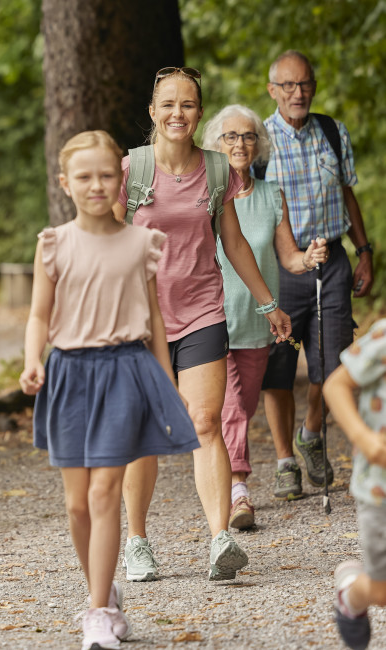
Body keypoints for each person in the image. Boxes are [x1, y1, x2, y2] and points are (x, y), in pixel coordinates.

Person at [20, 130, 199, 650]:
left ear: (119, 178)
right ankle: (103, 589)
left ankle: (97, 613)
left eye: (105, 175)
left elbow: (158, 322)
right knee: (77, 504)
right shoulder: (53, 245)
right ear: (65, 183)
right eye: (84, 177)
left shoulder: (143, 242)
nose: (96, 185)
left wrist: (167, 382)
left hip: (125, 371)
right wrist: (34, 360)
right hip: (70, 375)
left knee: (104, 493)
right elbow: (38, 315)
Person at [114, 67, 292, 583]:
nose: (178, 114)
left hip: (201, 311)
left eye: (188, 104)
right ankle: (138, 542)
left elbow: (232, 242)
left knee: (205, 422)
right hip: (142, 319)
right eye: (168, 104)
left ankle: (220, 540)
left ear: (199, 111)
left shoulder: (217, 170)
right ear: (152, 111)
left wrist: (267, 303)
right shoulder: (131, 170)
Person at [201, 104, 328, 529]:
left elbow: (288, 257)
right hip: (211, 318)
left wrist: (308, 258)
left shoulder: (272, 195)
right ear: (216, 144)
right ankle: (238, 491)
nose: (240, 143)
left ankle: (226, 476)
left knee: (246, 402)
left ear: (259, 144)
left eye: (249, 136)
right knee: (232, 406)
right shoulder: (206, 192)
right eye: (231, 136)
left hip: (258, 321)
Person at [259, 50, 375, 502]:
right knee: (279, 369)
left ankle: (311, 434)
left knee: (332, 367)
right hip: (283, 267)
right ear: (272, 91)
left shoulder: (332, 131)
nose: (297, 93)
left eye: (304, 84)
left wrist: (363, 252)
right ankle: (285, 459)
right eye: (287, 85)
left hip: (333, 262)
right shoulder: (260, 141)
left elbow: (348, 195)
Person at [323, 319, 386, 650]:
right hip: (380, 490)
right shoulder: (384, 336)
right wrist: (366, 440)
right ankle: (351, 591)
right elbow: (335, 385)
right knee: (382, 592)